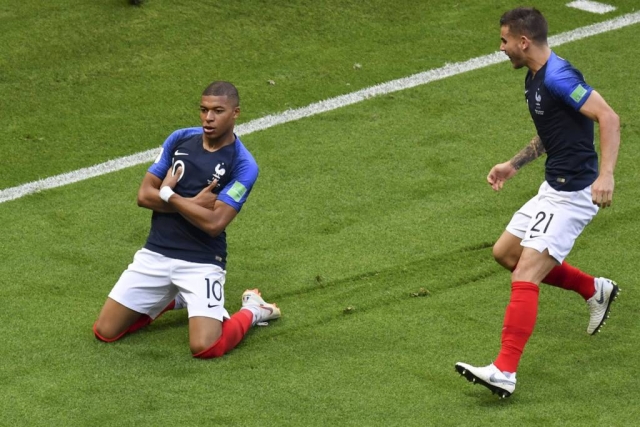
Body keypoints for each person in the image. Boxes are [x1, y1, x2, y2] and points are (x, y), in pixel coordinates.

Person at [455, 7, 621, 398]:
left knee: (525, 274)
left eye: (504, 40)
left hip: (574, 194)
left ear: (523, 42)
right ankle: (593, 289)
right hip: (552, 188)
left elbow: (609, 117)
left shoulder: (560, 77)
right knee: (506, 253)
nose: (501, 48)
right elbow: (554, 131)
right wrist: (514, 165)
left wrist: (607, 174)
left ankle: (504, 371)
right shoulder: (534, 78)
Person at [93, 81, 281, 358]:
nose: (208, 118)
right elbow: (144, 196)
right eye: (204, 110)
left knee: (206, 347)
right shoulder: (179, 139)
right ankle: (177, 298)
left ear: (236, 113)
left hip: (201, 261)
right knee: (105, 332)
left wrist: (169, 194)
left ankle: (253, 309)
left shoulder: (243, 165)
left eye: (218, 111)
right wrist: (187, 202)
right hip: (155, 253)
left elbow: (215, 223)